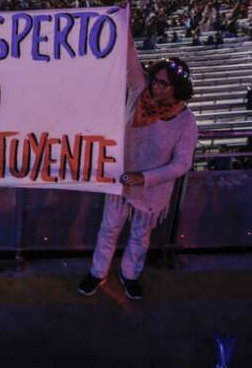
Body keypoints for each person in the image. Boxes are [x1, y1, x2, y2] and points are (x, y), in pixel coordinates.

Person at [78, 29, 199, 301]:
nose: (156, 86)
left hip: (150, 191)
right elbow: (130, 60)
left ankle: (129, 274)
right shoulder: (139, 91)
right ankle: (98, 273)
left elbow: (182, 164)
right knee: (108, 228)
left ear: (177, 90)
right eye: (155, 80)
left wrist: (143, 178)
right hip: (120, 178)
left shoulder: (186, 122)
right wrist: (123, 24)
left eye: (163, 84)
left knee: (140, 235)